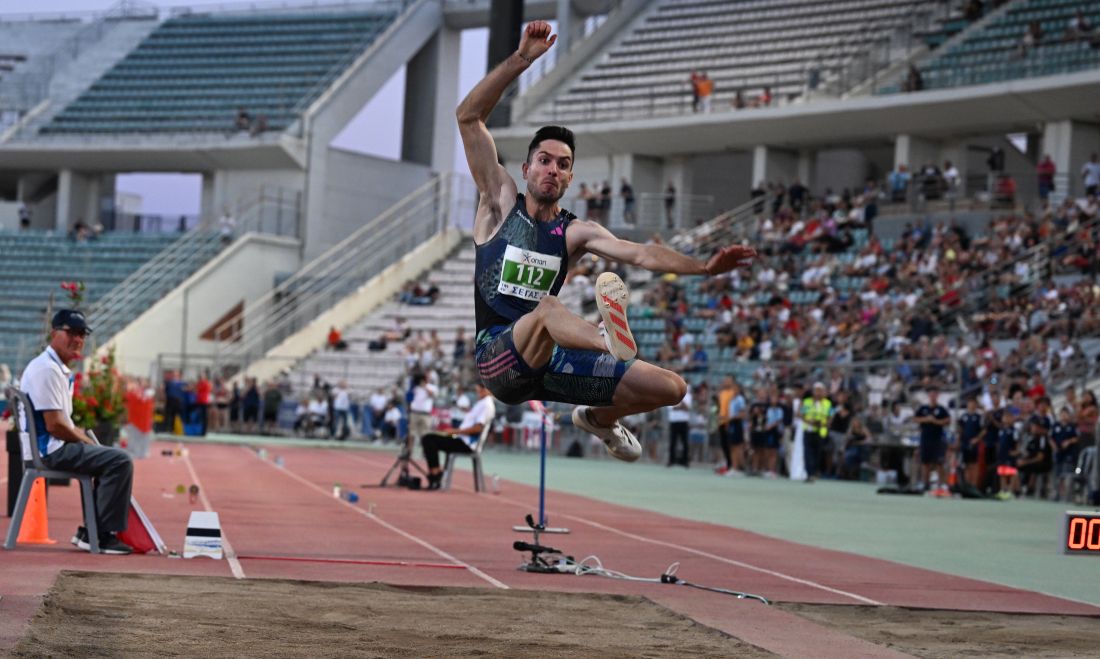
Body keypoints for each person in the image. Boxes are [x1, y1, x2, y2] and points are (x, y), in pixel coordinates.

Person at [455, 21, 756, 462]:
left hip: (550, 362)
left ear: (571, 176)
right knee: (548, 308)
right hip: (497, 359)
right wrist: (522, 59)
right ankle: (606, 340)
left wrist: (705, 267)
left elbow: (641, 253)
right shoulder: (499, 202)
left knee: (671, 388)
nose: (552, 169)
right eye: (544, 161)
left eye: (563, 164)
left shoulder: (576, 232)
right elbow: (468, 116)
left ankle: (597, 419)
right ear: (525, 169)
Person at [19, 309, 133, 554]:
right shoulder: (47, 370)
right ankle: (102, 536)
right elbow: (55, 426)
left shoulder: (53, 367)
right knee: (119, 460)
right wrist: (86, 442)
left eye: (81, 334)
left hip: (48, 446)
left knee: (105, 455)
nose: (78, 339)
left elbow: (62, 422)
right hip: (48, 450)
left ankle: (91, 532)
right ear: (54, 333)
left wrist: (84, 438)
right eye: (71, 332)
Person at [421, 382, 496, 490]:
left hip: (467, 444)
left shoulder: (486, 405)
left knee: (428, 440)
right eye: (477, 391)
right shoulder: (481, 403)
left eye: (479, 391)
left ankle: (435, 474)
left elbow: (478, 428)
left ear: (487, 390)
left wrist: (455, 431)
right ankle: (436, 473)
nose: (477, 393)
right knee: (429, 437)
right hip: (461, 439)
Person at [913, 388, 951, 493]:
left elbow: (948, 420)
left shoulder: (941, 409)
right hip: (925, 438)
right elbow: (915, 419)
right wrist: (926, 419)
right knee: (925, 462)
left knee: (939, 463)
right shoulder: (923, 408)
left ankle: (940, 485)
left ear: (937, 395)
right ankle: (926, 484)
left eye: (935, 394)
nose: (933, 396)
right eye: (931, 394)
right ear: (929, 396)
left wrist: (935, 421)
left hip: (937, 439)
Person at [800, 382, 831, 482]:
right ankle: (809, 473)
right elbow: (801, 414)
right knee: (808, 453)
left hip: (821, 432)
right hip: (809, 430)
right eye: (816, 390)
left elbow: (830, 416)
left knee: (818, 454)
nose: (818, 393)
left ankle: (815, 471)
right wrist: (809, 421)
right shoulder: (808, 402)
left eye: (820, 391)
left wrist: (824, 424)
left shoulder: (827, 403)